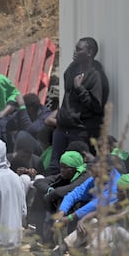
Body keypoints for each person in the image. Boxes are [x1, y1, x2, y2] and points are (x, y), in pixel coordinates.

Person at [47, 37, 109, 175]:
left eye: (79, 49)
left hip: (80, 132)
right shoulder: (72, 68)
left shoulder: (96, 76)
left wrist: (80, 88)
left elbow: (97, 106)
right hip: (62, 129)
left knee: (75, 170)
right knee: (55, 167)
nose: (74, 52)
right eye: (75, 48)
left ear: (90, 52)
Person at [30, 150, 90, 244]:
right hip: (59, 206)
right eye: (61, 167)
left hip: (79, 211)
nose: (62, 170)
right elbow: (39, 182)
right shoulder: (64, 176)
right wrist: (49, 190)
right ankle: (39, 234)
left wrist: (52, 194)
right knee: (40, 192)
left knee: (61, 198)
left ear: (75, 168)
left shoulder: (84, 176)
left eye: (65, 167)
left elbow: (70, 189)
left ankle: (59, 241)